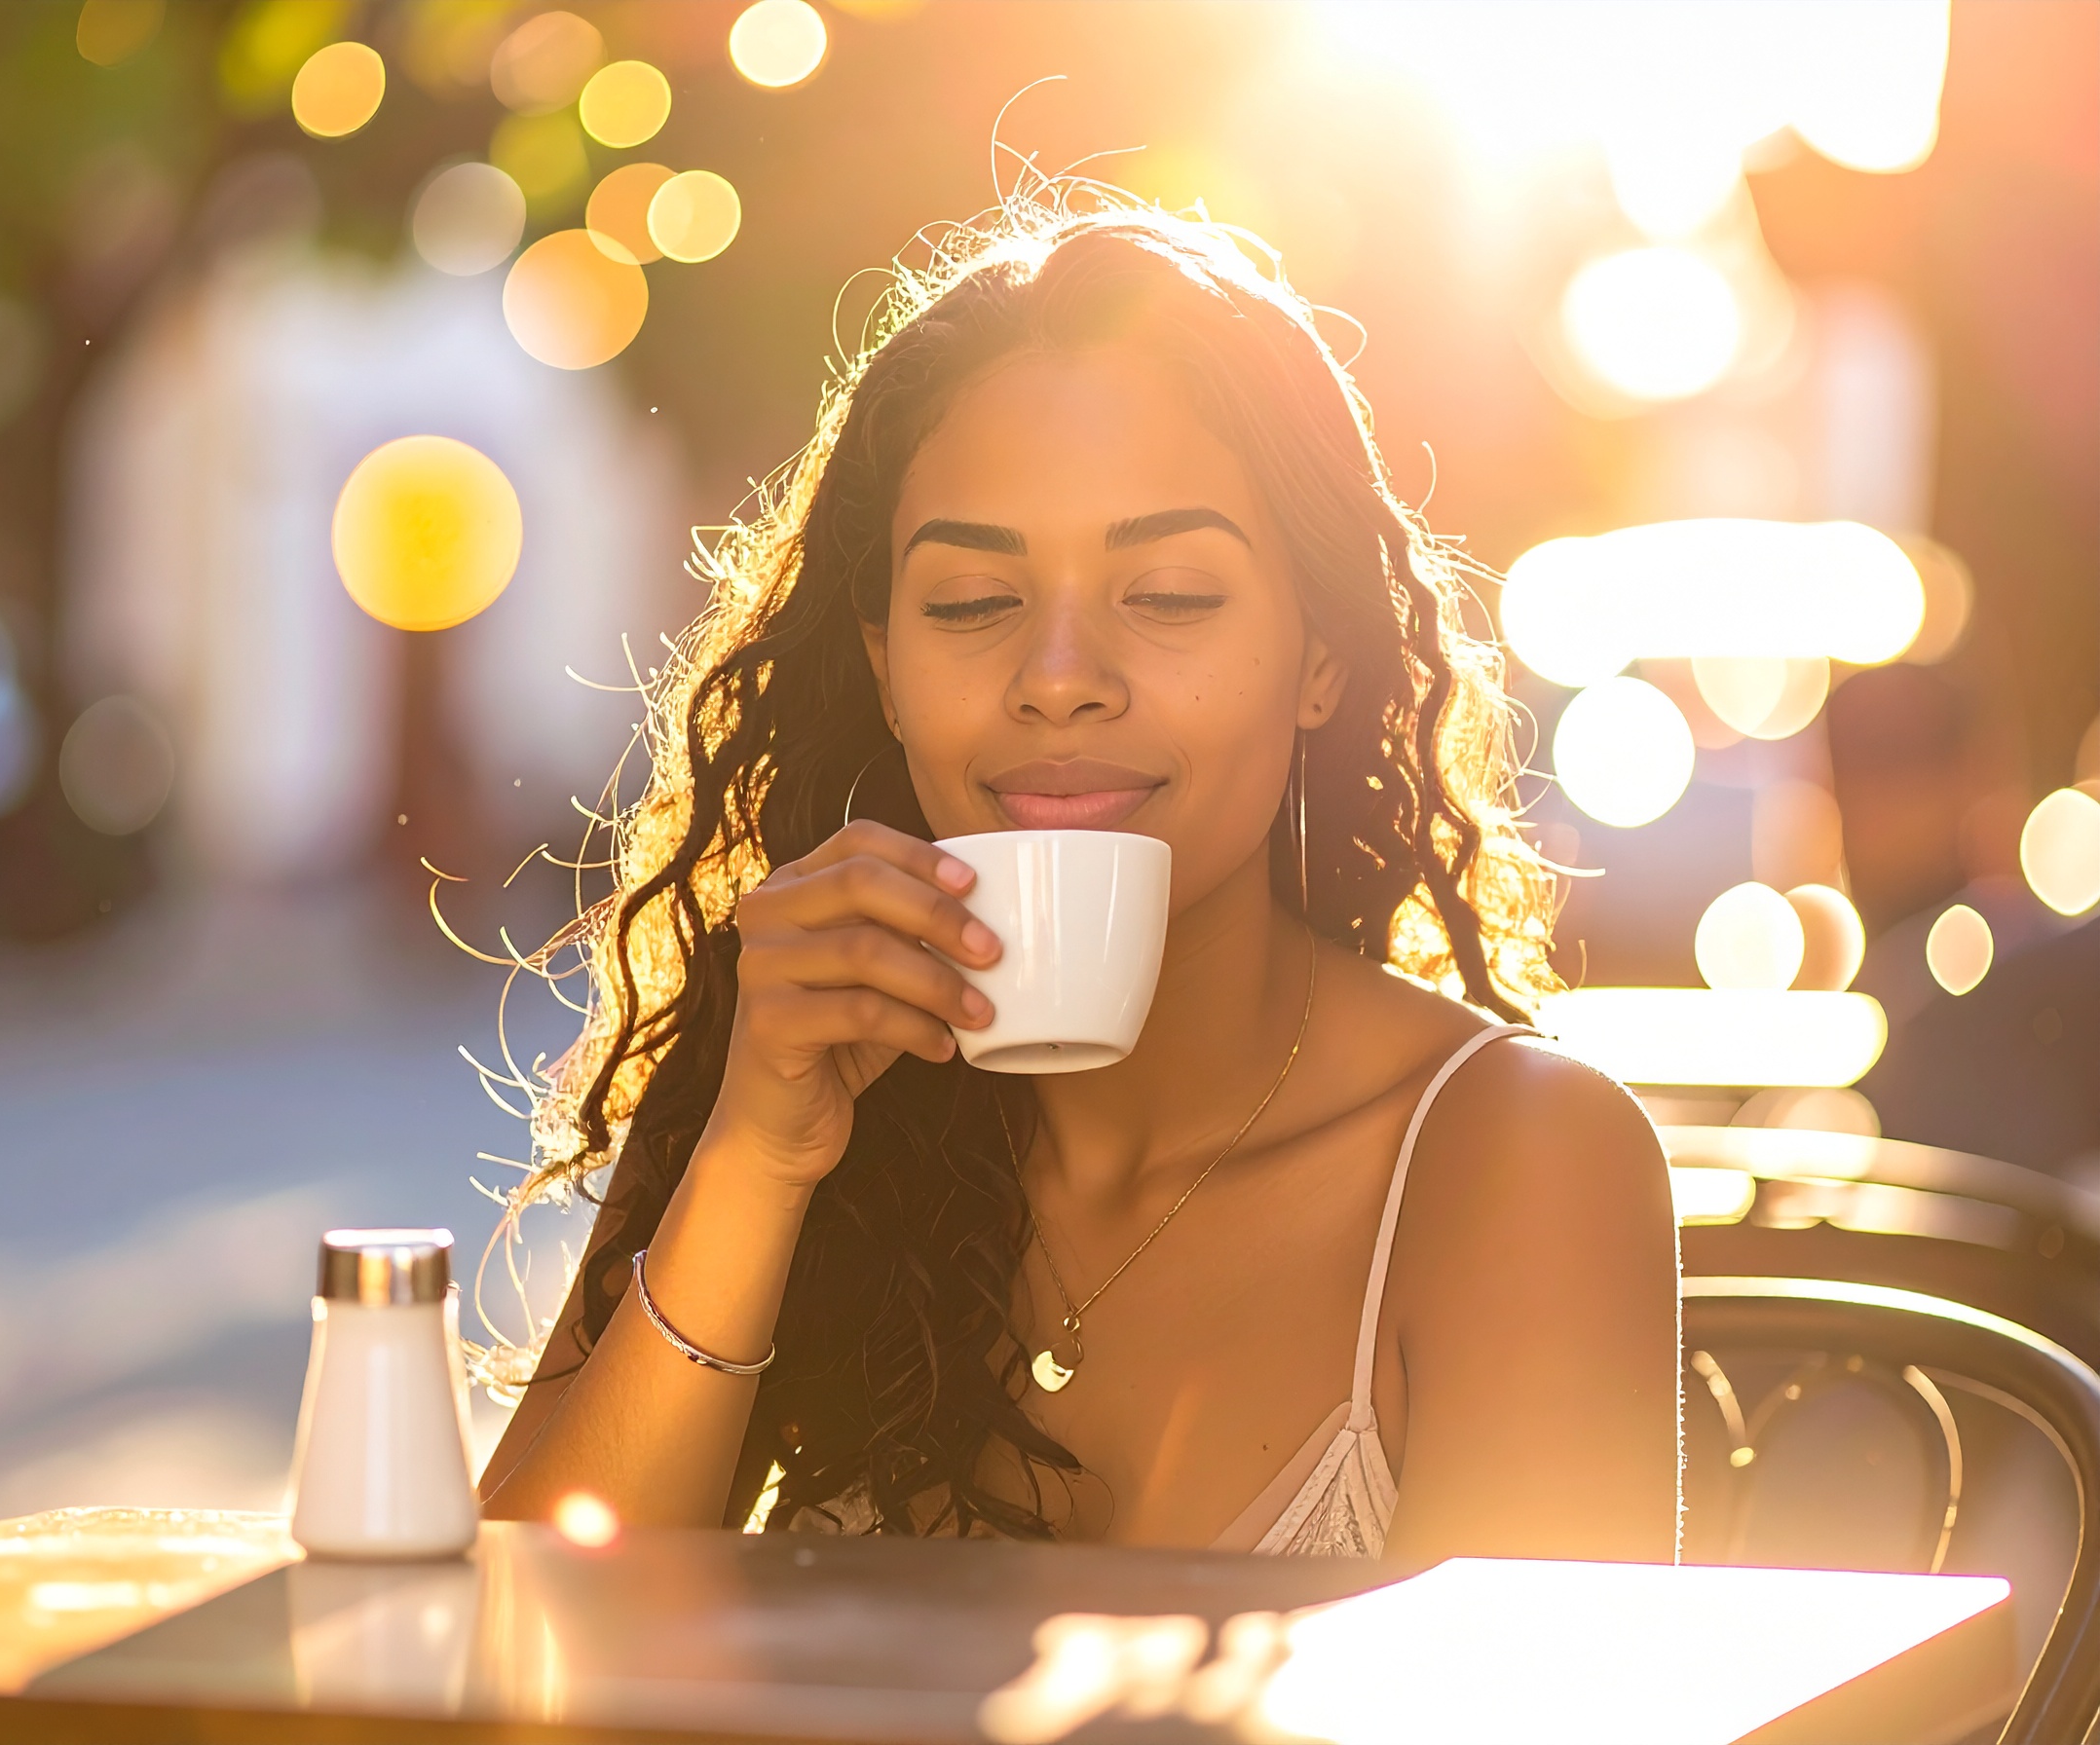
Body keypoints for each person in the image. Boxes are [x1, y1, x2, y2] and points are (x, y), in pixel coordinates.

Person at [478, 196, 1680, 1563]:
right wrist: (756, 1162)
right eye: (974, 604)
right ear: (883, 665)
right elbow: (516, 1640)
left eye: (1168, 595)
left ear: (1321, 658)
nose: (1057, 679)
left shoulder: (1510, 1159)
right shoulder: (780, 1078)